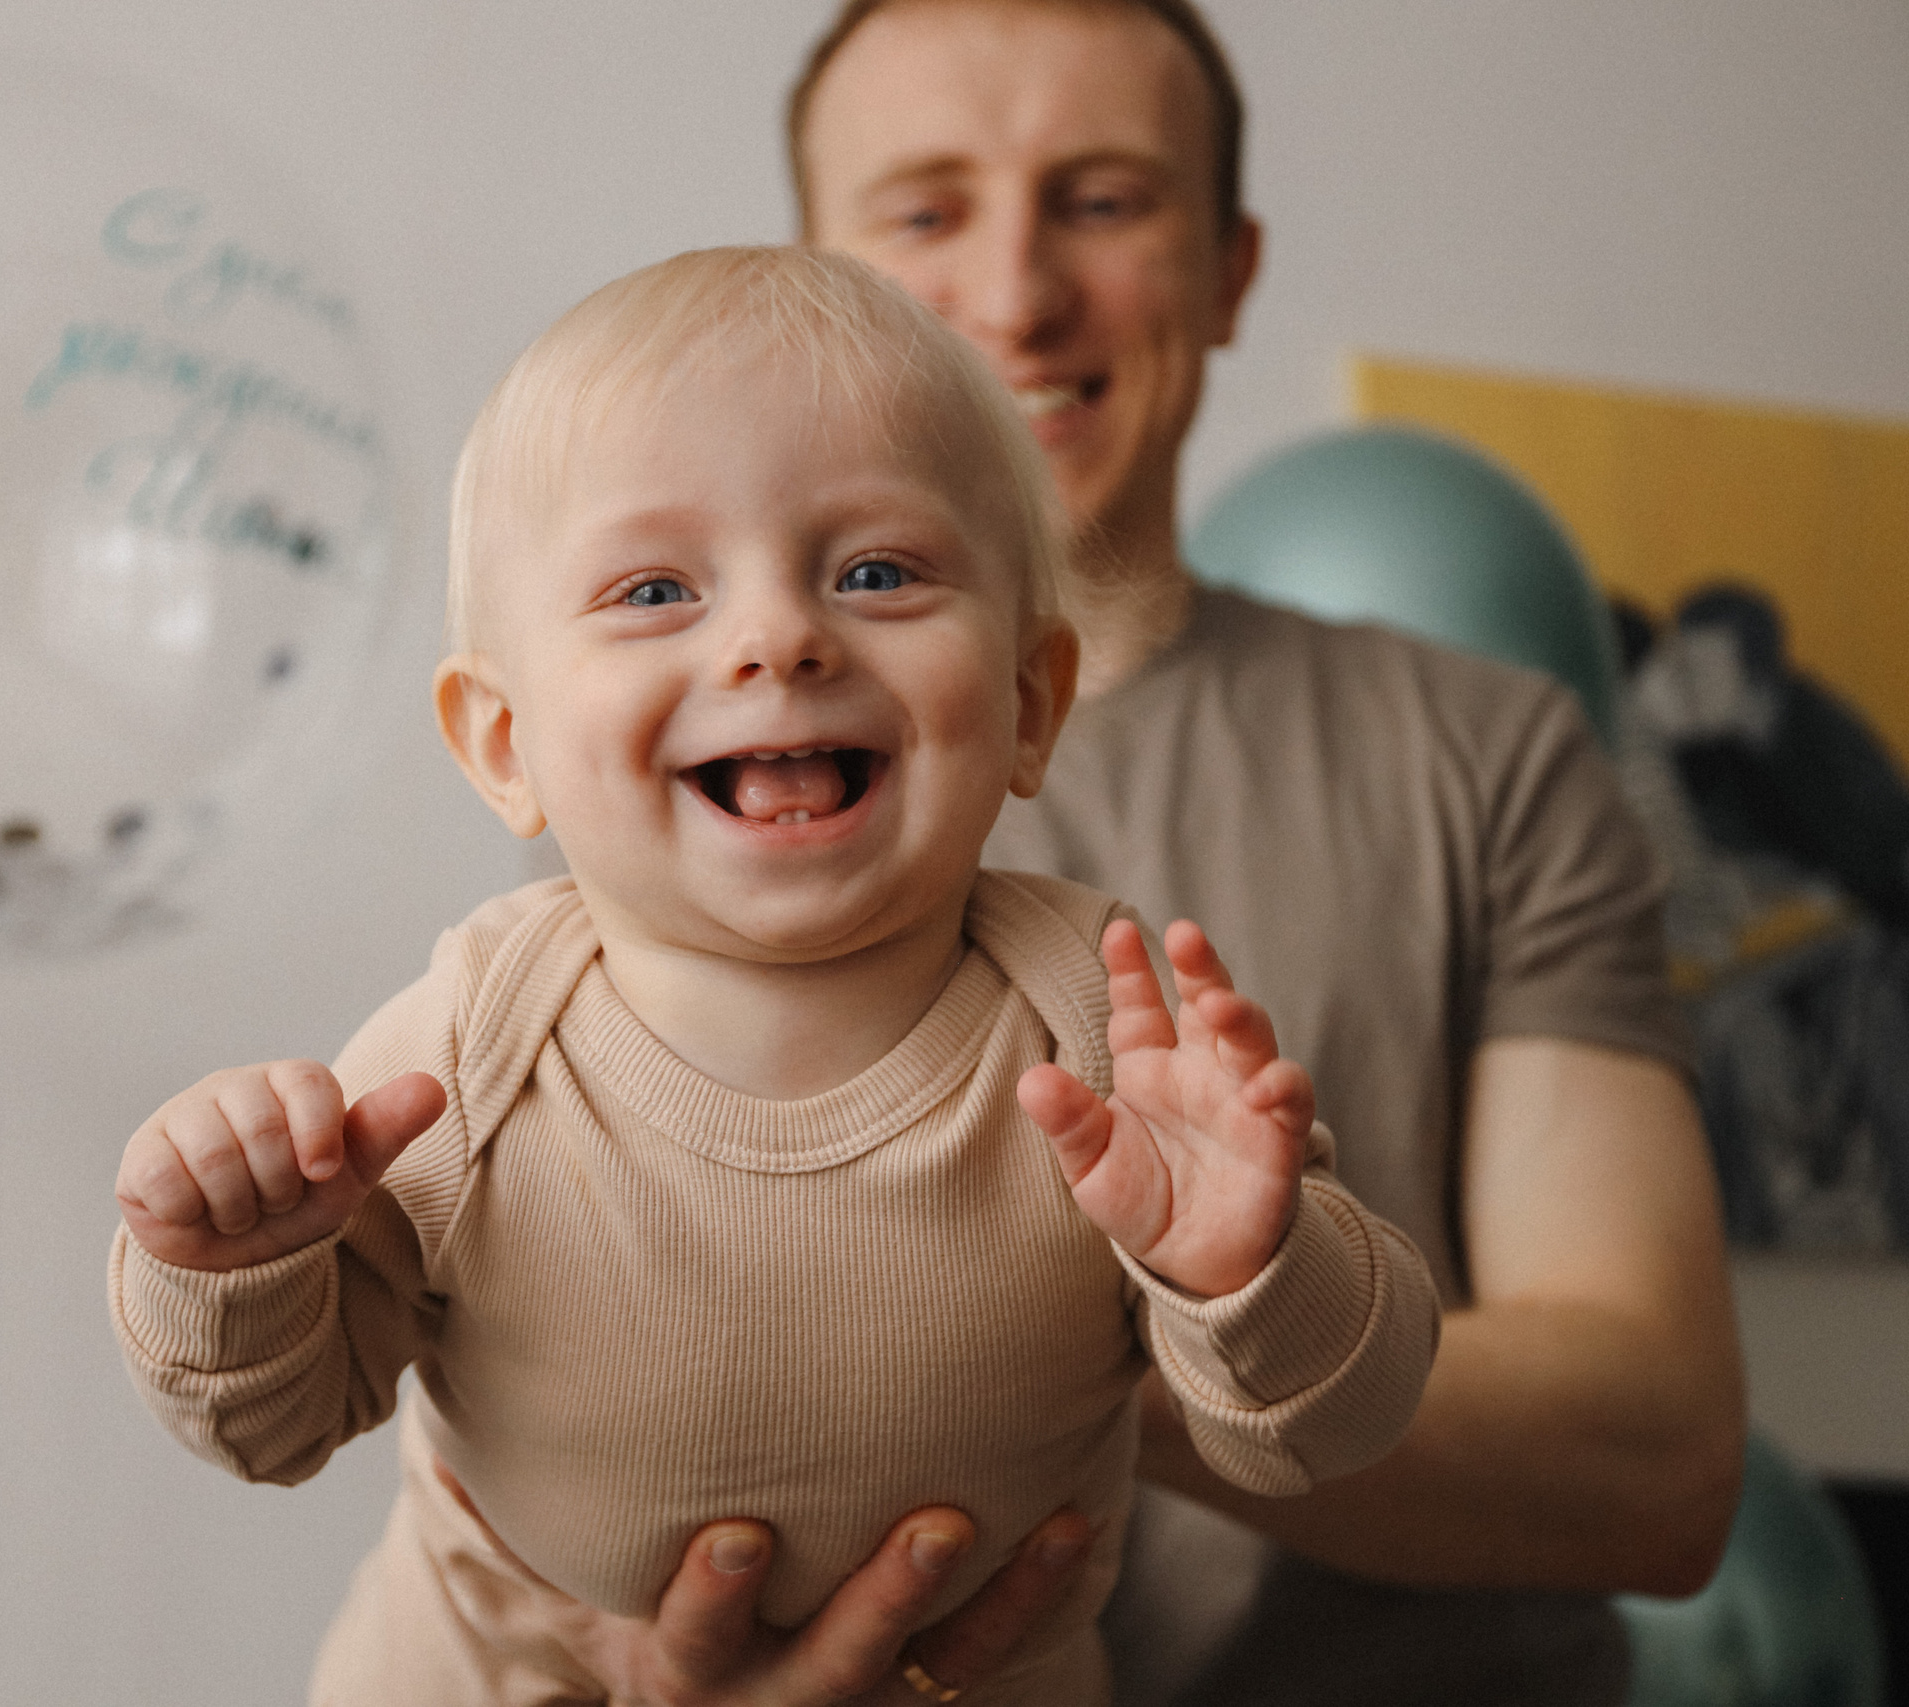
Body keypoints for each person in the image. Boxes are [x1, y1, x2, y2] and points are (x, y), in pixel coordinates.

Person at [500, 3, 1749, 1702]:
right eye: (926, 212)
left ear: (1229, 270)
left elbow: (1655, 1464)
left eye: (1104, 201)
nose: (1016, 297)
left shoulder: (1490, 755)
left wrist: (1052, 1349)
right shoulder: (668, 786)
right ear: (817, 287)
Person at [106, 246, 1440, 1705]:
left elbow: (1326, 1431)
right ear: (505, 744)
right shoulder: (470, 1045)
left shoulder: (1104, 1022)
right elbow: (272, 1431)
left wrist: (1252, 1268)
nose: (779, 637)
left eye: (876, 570)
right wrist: (230, 1271)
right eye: (655, 588)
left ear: (1026, 702)